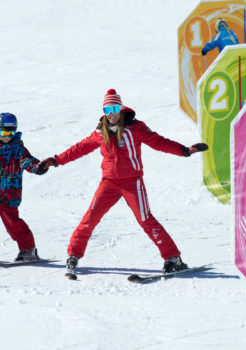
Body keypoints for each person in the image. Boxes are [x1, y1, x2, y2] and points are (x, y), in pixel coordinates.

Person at [40, 89, 209, 279]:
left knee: (146, 220)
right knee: (90, 218)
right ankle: (73, 256)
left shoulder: (135, 128)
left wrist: (184, 150)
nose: (112, 114)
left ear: (121, 108)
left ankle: (173, 258)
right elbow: (78, 149)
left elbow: (158, 142)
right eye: (107, 109)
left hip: (132, 183)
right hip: (109, 183)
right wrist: (54, 160)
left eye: (115, 108)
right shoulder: (99, 132)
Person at [0, 113, 48, 261]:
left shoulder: (18, 149)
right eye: (3, 132)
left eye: (10, 132)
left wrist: (38, 167)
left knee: (12, 223)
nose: (7, 136)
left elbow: (28, 161)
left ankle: (28, 250)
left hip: (9, 193)